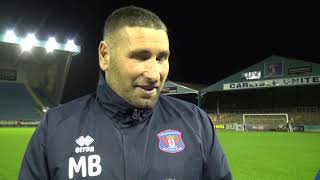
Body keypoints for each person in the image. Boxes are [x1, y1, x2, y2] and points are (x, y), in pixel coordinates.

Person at [19, 6, 232, 180]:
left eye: (162, 58)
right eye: (140, 56)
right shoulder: (55, 128)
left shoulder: (196, 124)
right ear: (105, 56)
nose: (154, 73)